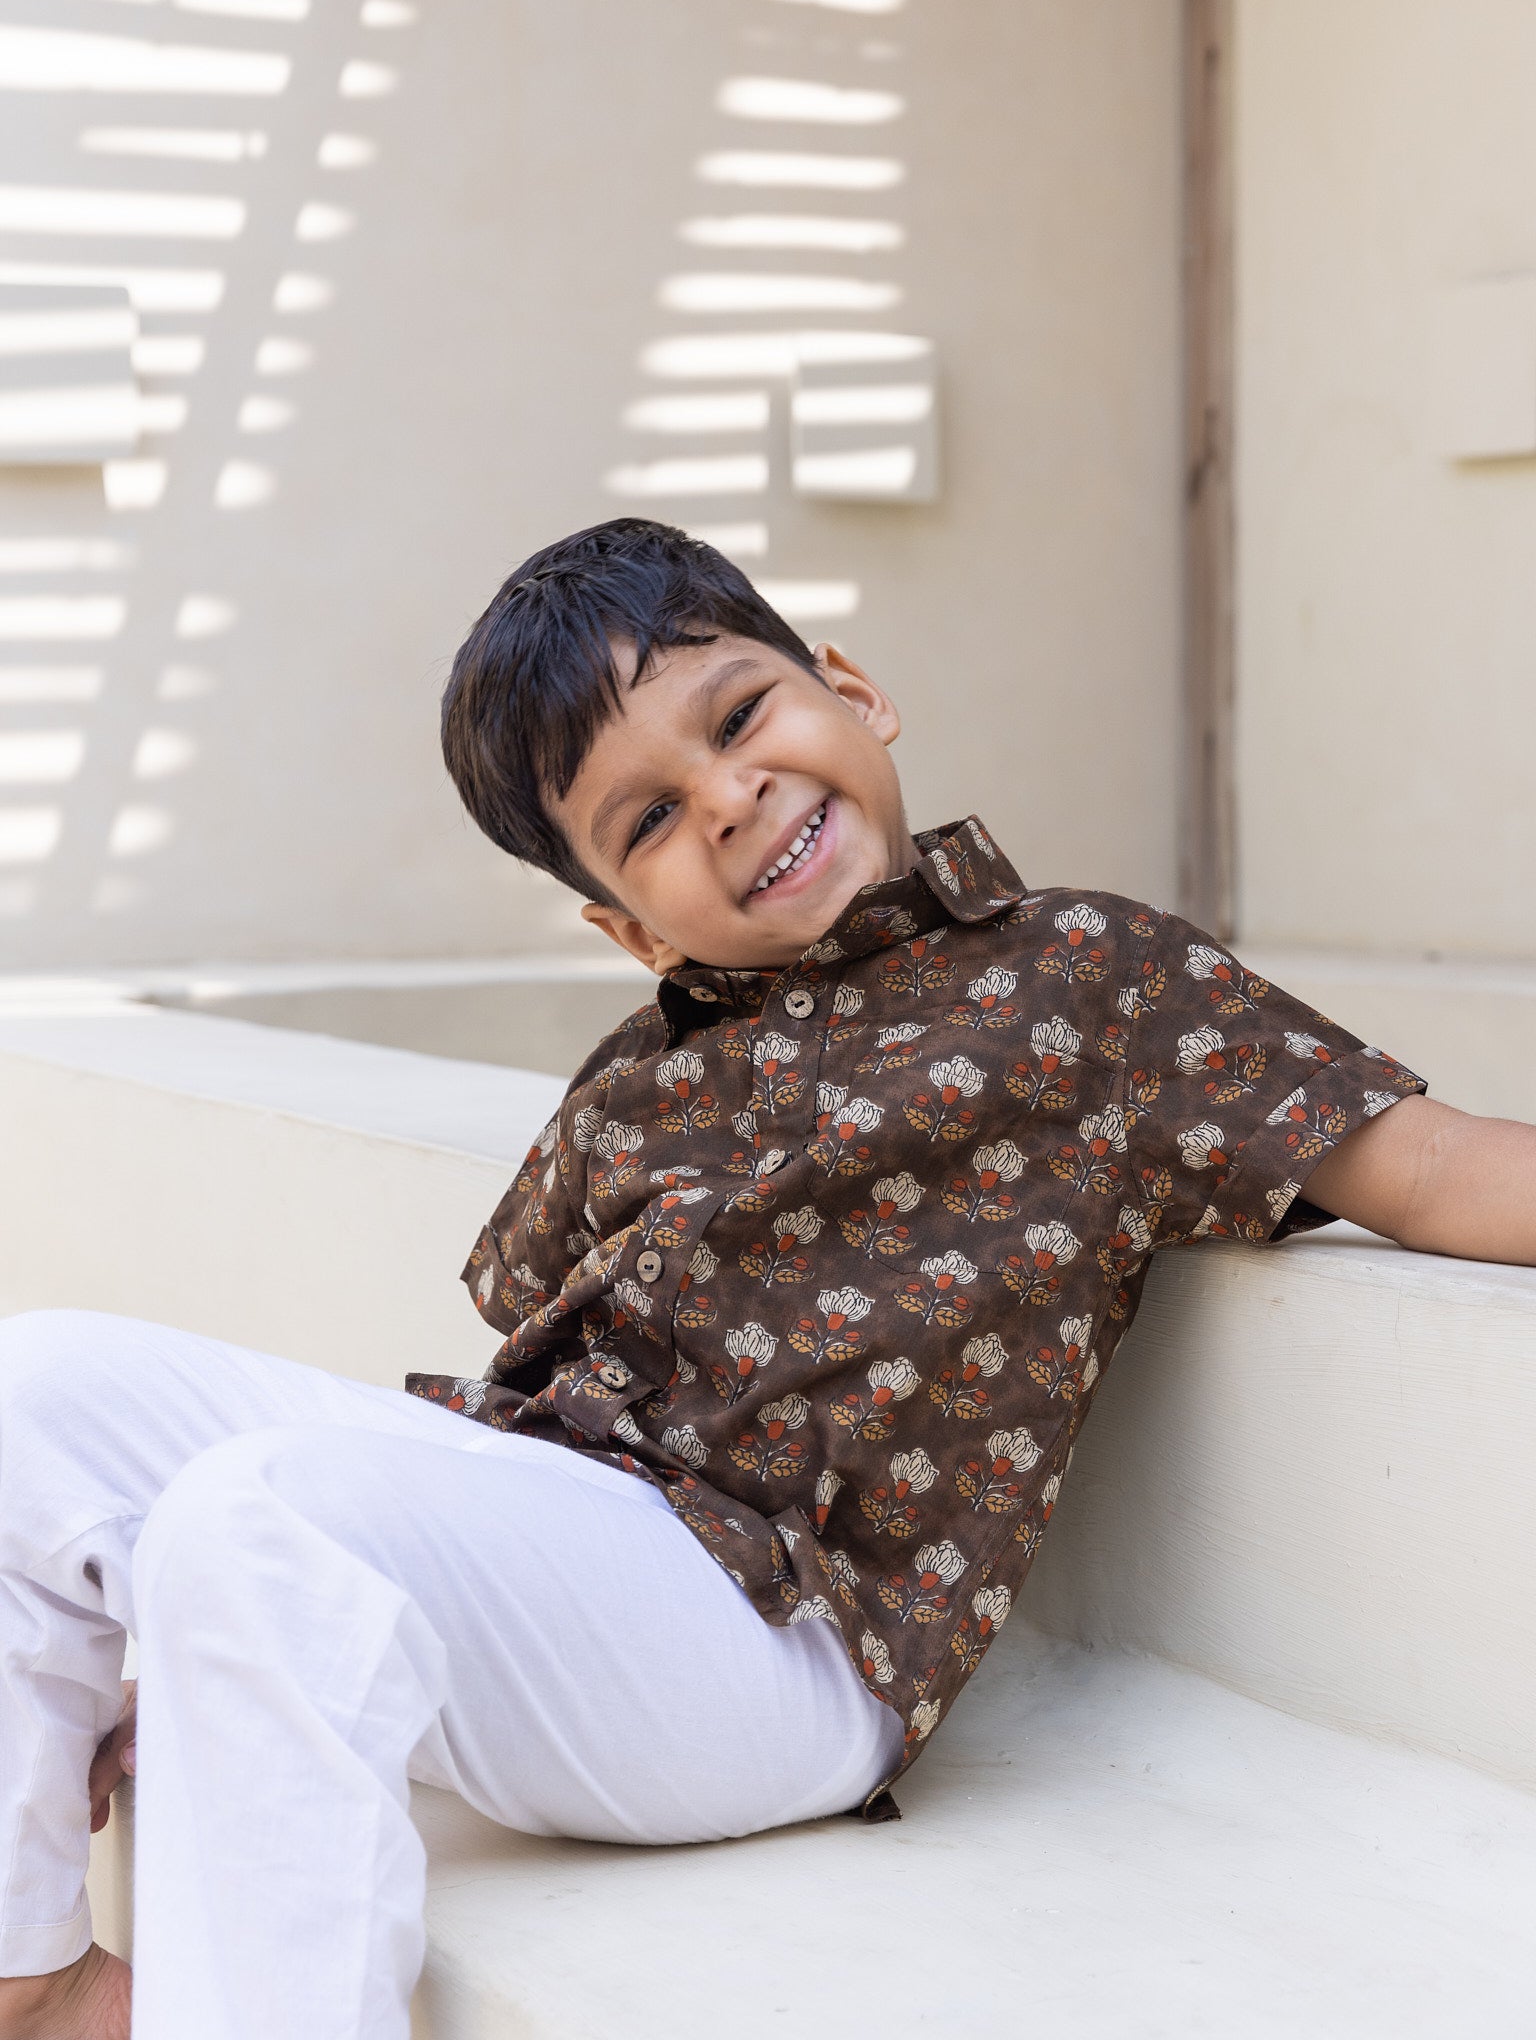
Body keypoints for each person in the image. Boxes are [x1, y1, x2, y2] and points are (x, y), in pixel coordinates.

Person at [2, 517, 1532, 2040]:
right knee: (33, 1394)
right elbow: (527, 1425)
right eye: (649, 820)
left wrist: (274, 1593)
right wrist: (244, 1660)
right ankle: (43, 1987)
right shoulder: (639, 1080)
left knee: (255, 1517)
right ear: (623, 925)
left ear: (853, 691)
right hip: (597, 1568)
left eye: (739, 718)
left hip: (788, 1643)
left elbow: (1435, 1164)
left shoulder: (1086, 979)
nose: (729, 800)